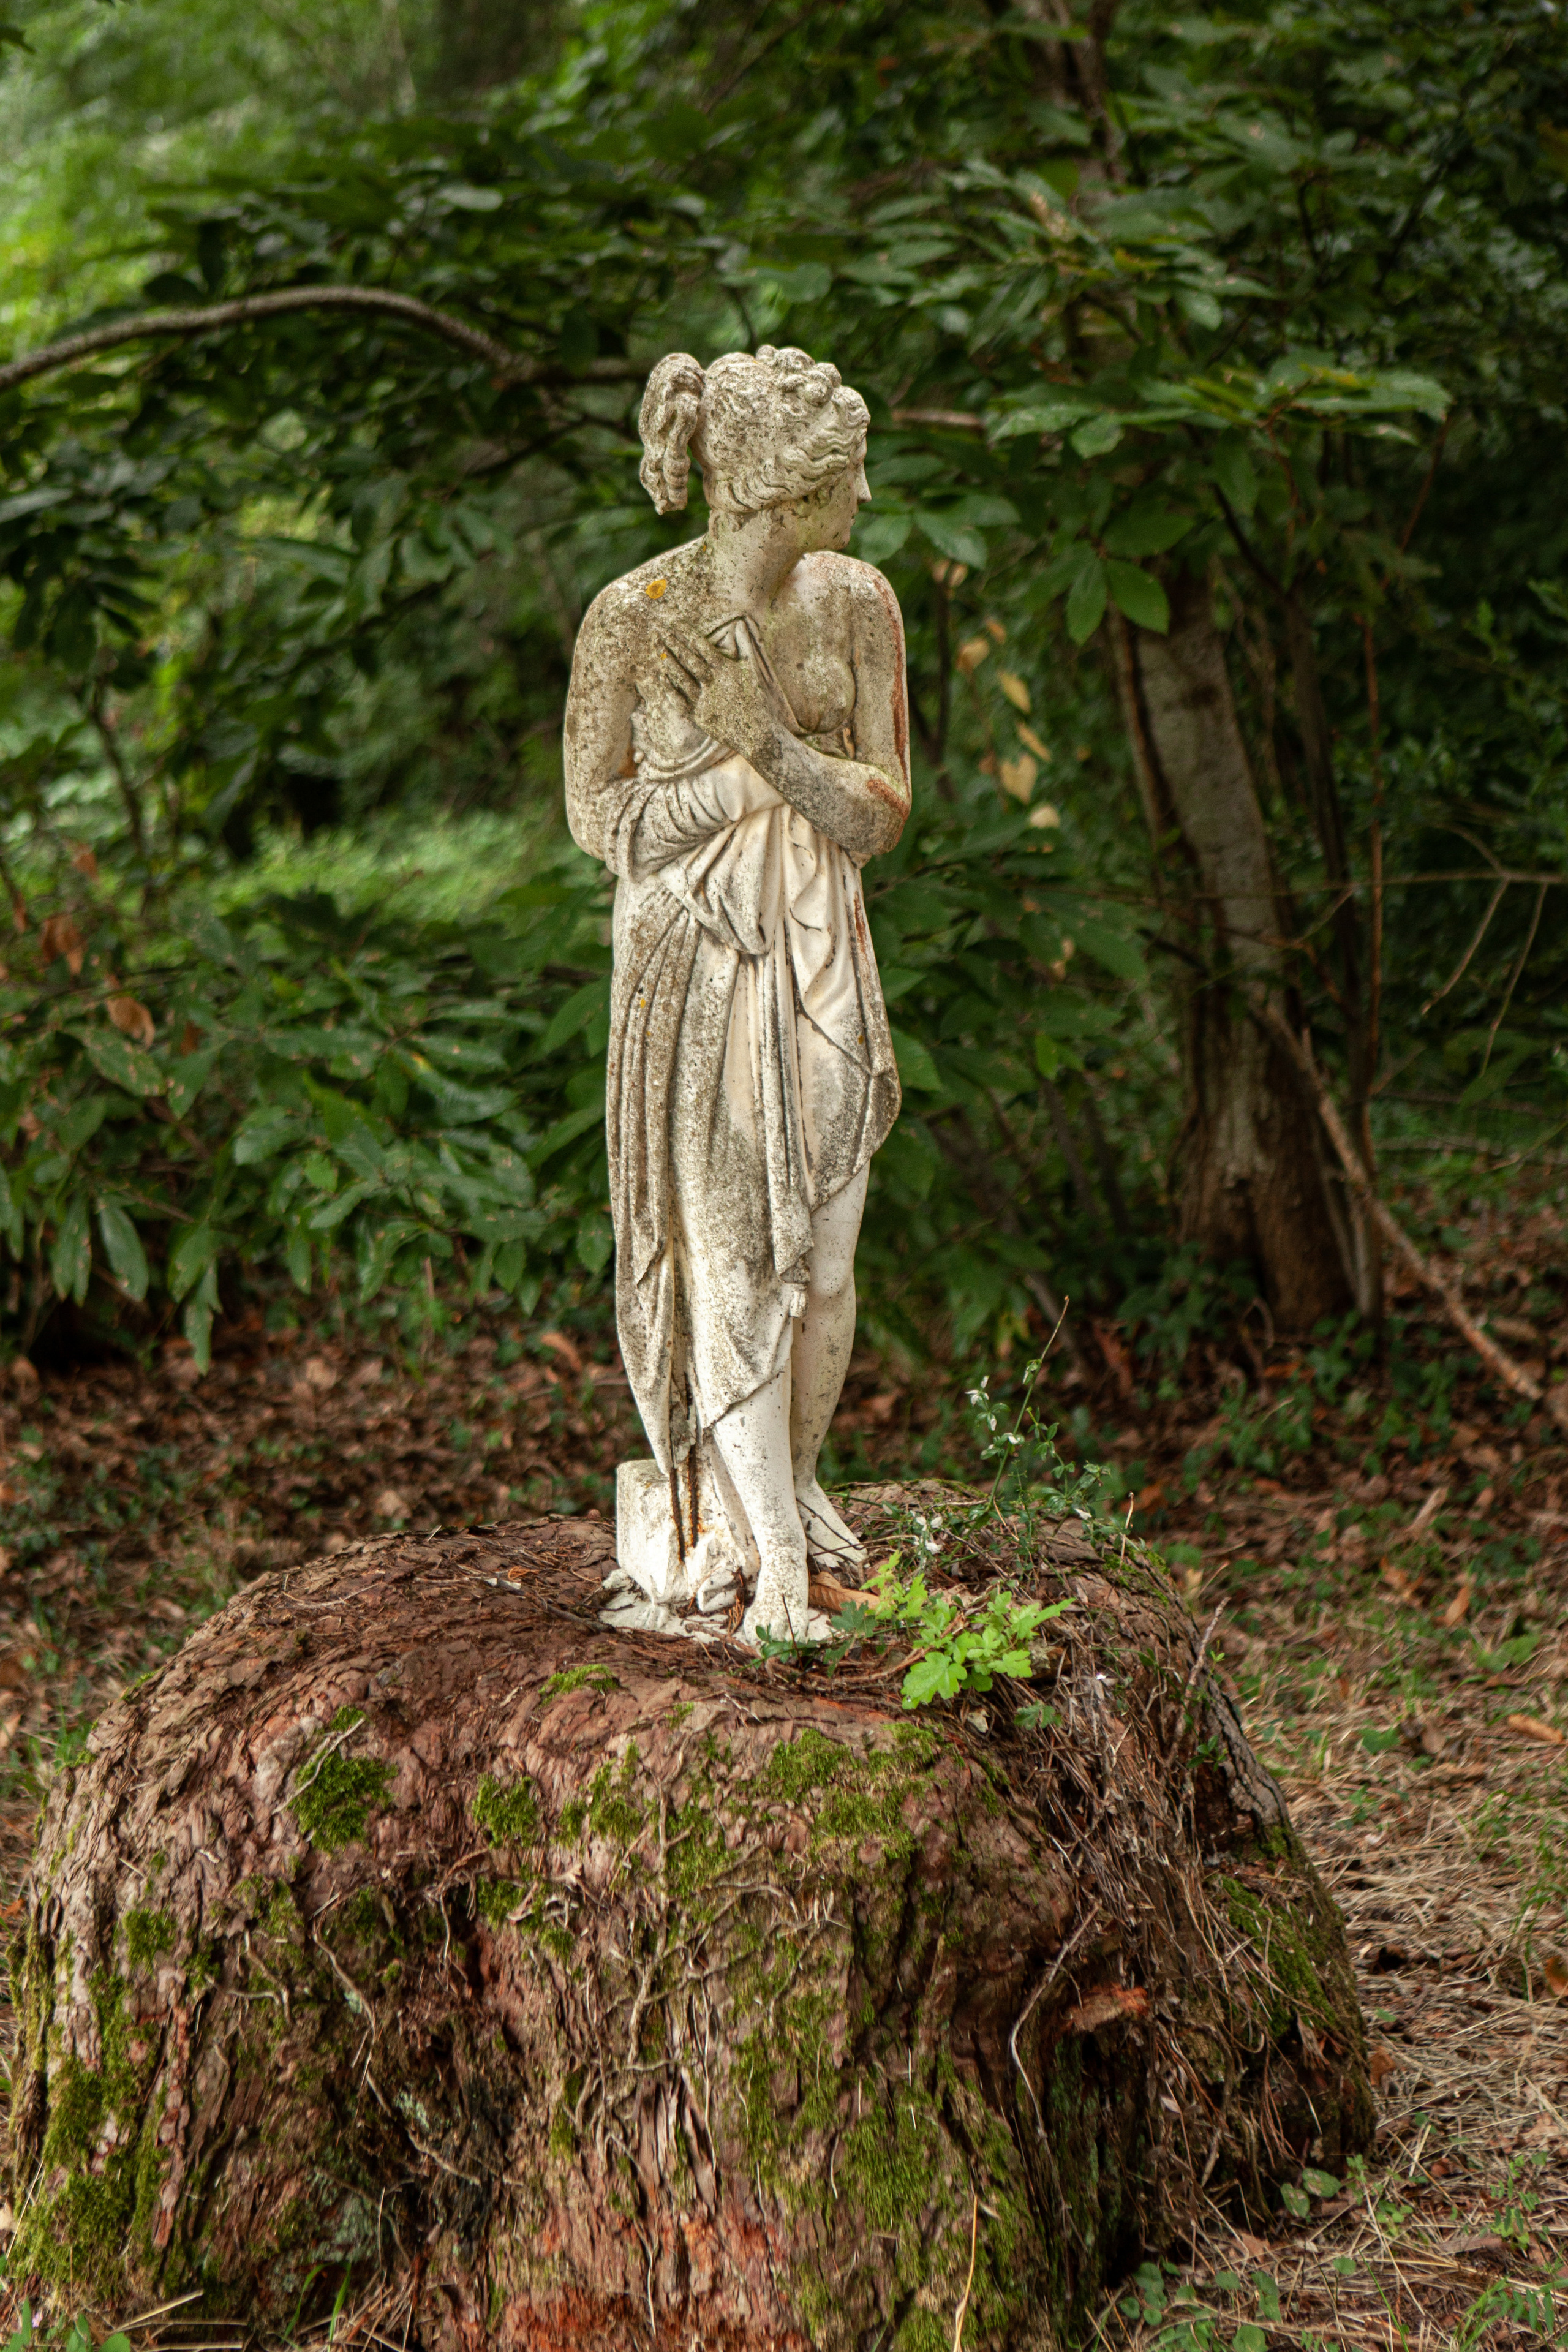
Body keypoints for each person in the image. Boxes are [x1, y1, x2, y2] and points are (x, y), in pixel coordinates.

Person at [563, 344, 910, 1640]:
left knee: (822, 1258)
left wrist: (766, 747)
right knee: (727, 1254)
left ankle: (794, 1490)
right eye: (846, 478)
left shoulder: (855, 604)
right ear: (780, 491)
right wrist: (731, 785)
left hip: (820, 948)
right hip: (694, 962)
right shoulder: (634, 615)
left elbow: (881, 815)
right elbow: (596, 816)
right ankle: (761, 1557)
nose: (863, 500)